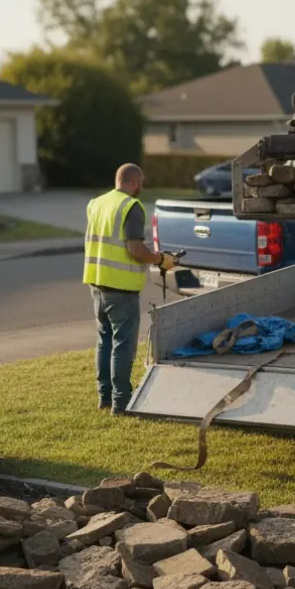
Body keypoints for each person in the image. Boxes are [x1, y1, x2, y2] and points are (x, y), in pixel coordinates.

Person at [83, 163, 177, 414]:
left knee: (104, 341)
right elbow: (135, 249)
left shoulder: (96, 204)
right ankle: (122, 401)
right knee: (123, 344)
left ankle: (104, 398)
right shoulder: (132, 207)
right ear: (134, 182)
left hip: (97, 284)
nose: (142, 188)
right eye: (141, 183)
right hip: (121, 289)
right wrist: (160, 259)